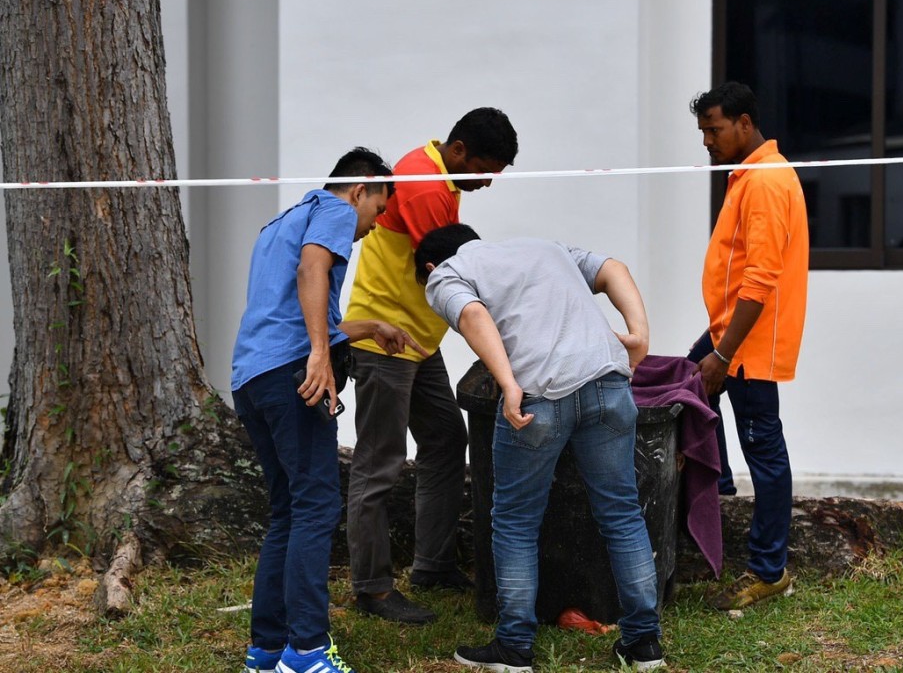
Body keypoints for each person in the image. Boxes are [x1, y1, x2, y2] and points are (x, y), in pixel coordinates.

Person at [416, 224, 666, 673]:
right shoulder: (544, 248)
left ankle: (514, 649)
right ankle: (644, 644)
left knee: (514, 521)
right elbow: (614, 269)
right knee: (622, 513)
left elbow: (472, 316)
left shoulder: (446, 273)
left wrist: (509, 384)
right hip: (609, 384)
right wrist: (640, 333)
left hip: (540, 398)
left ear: (430, 267)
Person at [231, 148, 426, 673]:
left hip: (252, 378)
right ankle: (309, 650)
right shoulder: (337, 210)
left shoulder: (282, 221)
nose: (373, 226)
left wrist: (365, 328)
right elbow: (312, 270)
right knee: (316, 507)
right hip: (294, 373)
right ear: (361, 190)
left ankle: (266, 652)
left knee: (288, 512)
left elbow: (288, 303)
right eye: (379, 211)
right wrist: (321, 355)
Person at [343, 108, 519, 624]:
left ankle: (433, 565)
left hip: (418, 341)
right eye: (485, 170)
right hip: (383, 340)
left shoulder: (438, 173)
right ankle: (372, 589)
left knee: (444, 439)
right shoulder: (423, 184)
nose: (487, 182)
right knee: (379, 463)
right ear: (459, 150)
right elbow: (448, 273)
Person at [688, 82, 809, 610]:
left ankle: (769, 570)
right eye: (704, 133)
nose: (708, 141)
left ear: (743, 123)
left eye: (714, 130)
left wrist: (724, 355)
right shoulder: (749, 175)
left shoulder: (765, 181)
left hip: (747, 344)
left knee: (765, 448)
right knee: (686, 392)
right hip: (728, 331)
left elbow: (760, 279)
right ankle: (719, 494)